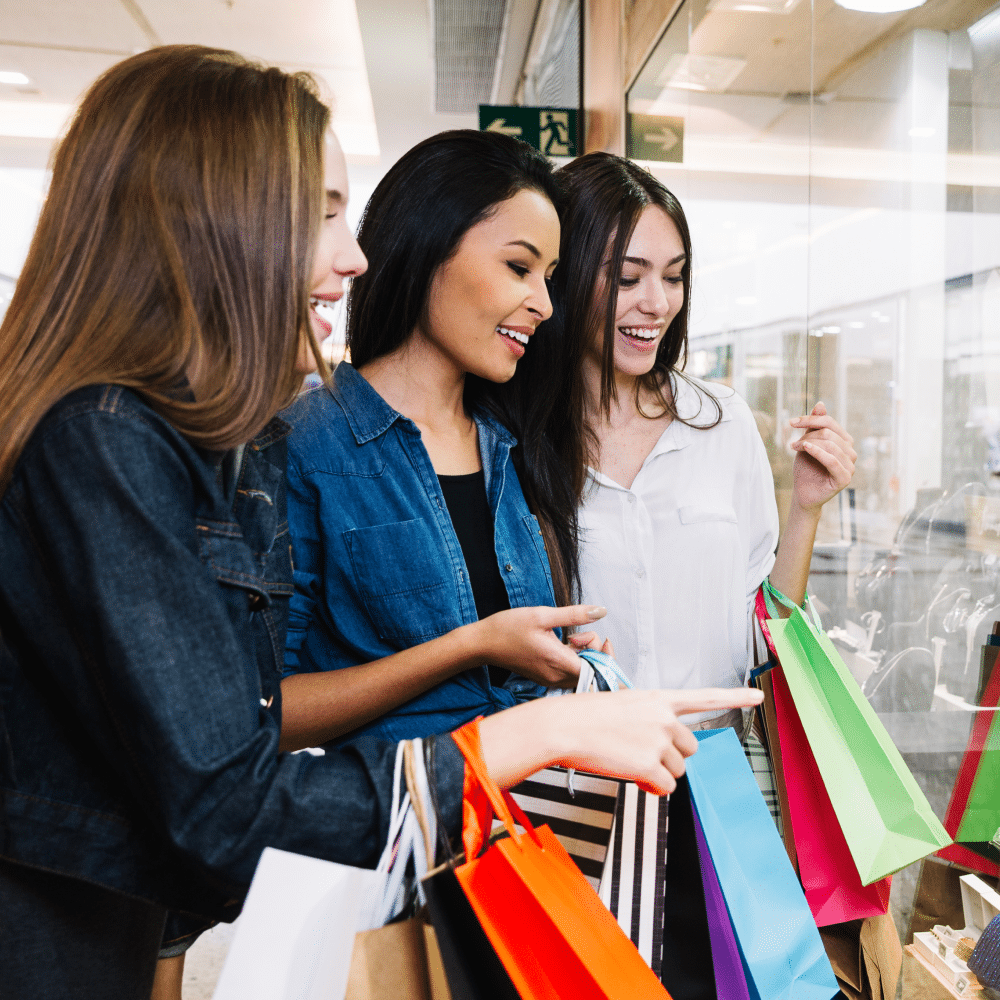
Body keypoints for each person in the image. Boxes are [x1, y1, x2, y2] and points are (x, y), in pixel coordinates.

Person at [0, 48, 761, 999]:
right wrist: (532, 726)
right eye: (322, 211)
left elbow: (199, 745)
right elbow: (229, 791)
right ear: (214, 214)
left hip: (463, 863)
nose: (350, 255)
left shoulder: (499, 443)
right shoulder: (116, 440)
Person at [281, 130, 605, 749]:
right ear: (428, 245)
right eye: (519, 268)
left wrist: (561, 663)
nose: (543, 304)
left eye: (549, 278)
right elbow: (267, 712)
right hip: (397, 807)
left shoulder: (512, 446)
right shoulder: (304, 447)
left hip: (518, 803)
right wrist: (471, 646)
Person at [545, 152, 857, 727]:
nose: (657, 303)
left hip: (715, 768)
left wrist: (806, 511)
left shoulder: (721, 421)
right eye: (628, 277)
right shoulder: (520, 441)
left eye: (673, 276)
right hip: (580, 769)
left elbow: (760, 637)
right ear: (564, 277)